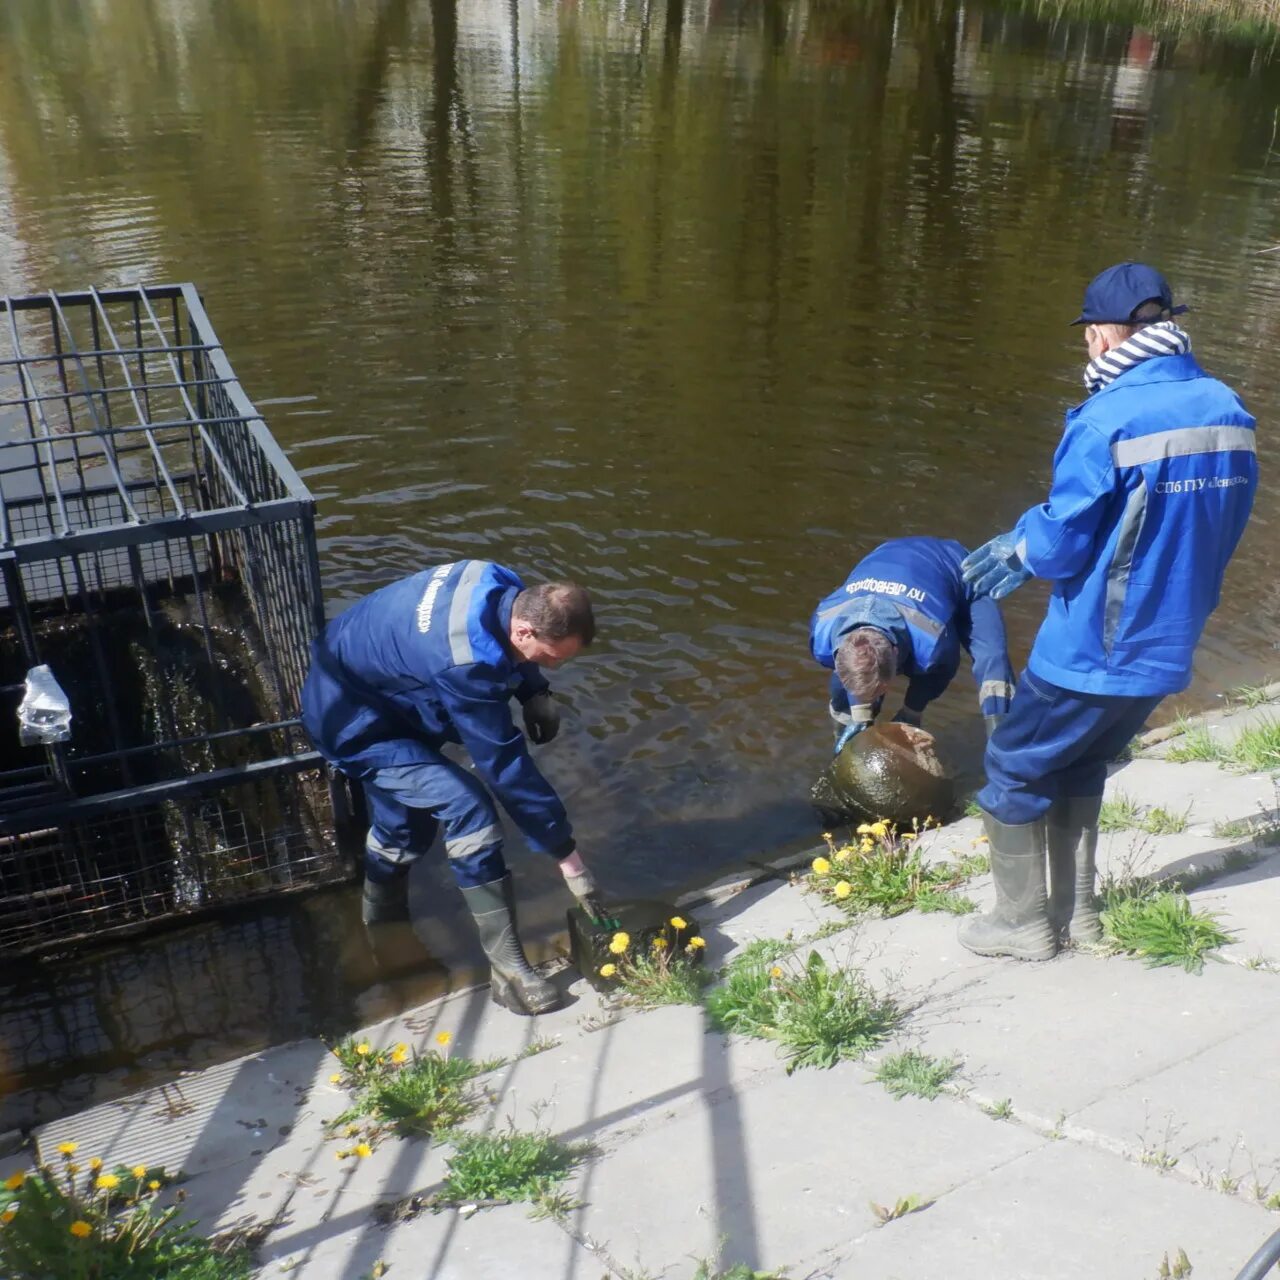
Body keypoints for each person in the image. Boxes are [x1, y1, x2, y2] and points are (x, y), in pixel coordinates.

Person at [959, 261, 1258, 961]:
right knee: (1082, 762)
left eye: (1086, 335)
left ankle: (1022, 925)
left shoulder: (1105, 420)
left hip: (1095, 646)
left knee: (1012, 763)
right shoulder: (1229, 408)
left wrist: (1018, 542)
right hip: (1169, 645)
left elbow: (1063, 545)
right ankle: (1078, 915)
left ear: (1101, 334)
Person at [301, 560, 607, 1016]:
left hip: (386, 687)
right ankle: (507, 971)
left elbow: (506, 654)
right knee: (471, 811)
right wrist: (566, 853)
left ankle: (381, 927)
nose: (555, 666)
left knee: (406, 827)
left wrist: (534, 690)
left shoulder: (498, 580)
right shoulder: (467, 665)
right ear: (523, 631)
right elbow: (505, 767)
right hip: (353, 723)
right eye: (552, 658)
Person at [809, 536, 1016, 749]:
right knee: (851, 690)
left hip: (960, 570)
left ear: (896, 652)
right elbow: (856, 669)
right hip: (888, 554)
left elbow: (941, 672)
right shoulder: (823, 629)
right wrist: (860, 717)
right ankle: (846, 742)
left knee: (993, 659)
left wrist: (912, 710)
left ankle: (1003, 747)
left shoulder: (931, 641)